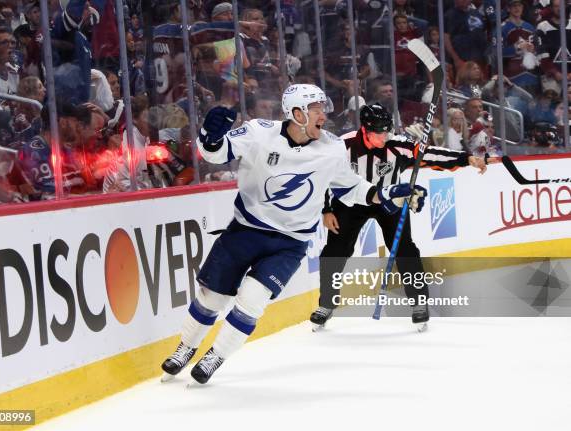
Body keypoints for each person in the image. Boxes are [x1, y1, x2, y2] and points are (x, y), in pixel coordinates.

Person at [160, 84, 425, 384]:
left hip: (290, 243)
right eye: (316, 111)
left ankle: (216, 355)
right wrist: (208, 138)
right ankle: (186, 347)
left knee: (253, 299)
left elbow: (351, 188)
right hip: (245, 230)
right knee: (211, 297)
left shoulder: (331, 148)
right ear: (297, 113)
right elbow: (217, 153)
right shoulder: (259, 133)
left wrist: (387, 193)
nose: (323, 117)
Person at [309, 104, 491, 329]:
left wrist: (466, 159)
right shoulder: (342, 146)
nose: (385, 137)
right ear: (365, 129)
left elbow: (430, 154)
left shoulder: (397, 145)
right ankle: (326, 304)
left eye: (387, 131)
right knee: (334, 253)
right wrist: (327, 209)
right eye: (379, 132)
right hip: (350, 202)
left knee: (406, 249)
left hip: (388, 201)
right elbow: (324, 176)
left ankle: (419, 302)